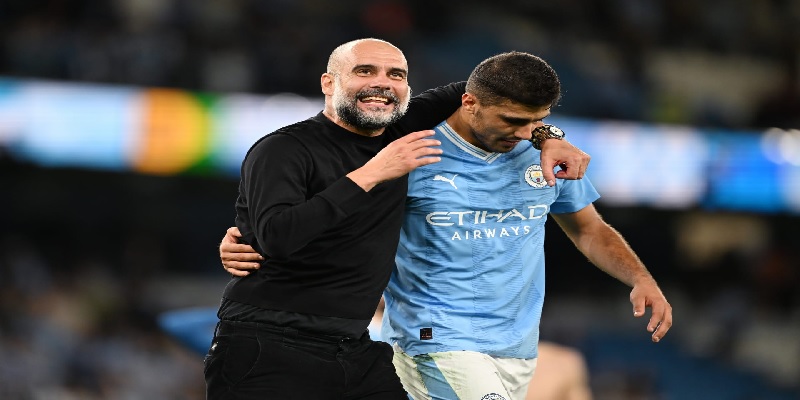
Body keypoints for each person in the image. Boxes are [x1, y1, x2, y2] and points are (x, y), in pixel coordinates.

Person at [221, 50, 672, 400]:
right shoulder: (404, 151)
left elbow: (590, 229)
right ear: (469, 104)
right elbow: (326, 213)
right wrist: (248, 236)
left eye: (537, 122)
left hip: (516, 346)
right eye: (512, 121)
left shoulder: (547, 154)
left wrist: (640, 278)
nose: (523, 132)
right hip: (432, 338)